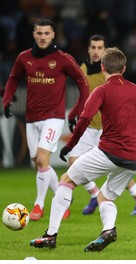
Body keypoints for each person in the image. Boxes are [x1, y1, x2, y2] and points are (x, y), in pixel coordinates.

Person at [30, 47, 136, 251]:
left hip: (109, 152)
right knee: (105, 196)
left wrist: (70, 145)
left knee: (67, 180)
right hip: (134, 159)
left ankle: (50, 235)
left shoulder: (101, 90)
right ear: (124, 68)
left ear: (102, 68)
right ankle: (108, 230)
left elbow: (84, 118)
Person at [2, 18, 89, 220]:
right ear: (34, 34)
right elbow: (13, 78)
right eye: (39, 33)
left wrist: (77, 110)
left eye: (46, 33)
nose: (42, 37)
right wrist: (7, 99)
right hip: (32, 119)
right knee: (40, 164)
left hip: (54, 117)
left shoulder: (63, 58)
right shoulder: (24, 58)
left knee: (42, 159)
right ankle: (63, 198)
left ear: (53, 35)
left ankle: (38, 205)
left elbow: (82, 84)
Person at [70, 34, 136, 216]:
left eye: (100, 47)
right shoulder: (82, 69)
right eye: (93, 47)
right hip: (89, 126)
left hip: (108, 130)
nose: (96, 51)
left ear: (105, 51)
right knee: (73, 162)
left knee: (118, 165)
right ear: (88, 49)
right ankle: (95, 194)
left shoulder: (109, 70)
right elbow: (83, 97)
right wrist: (73, 114)